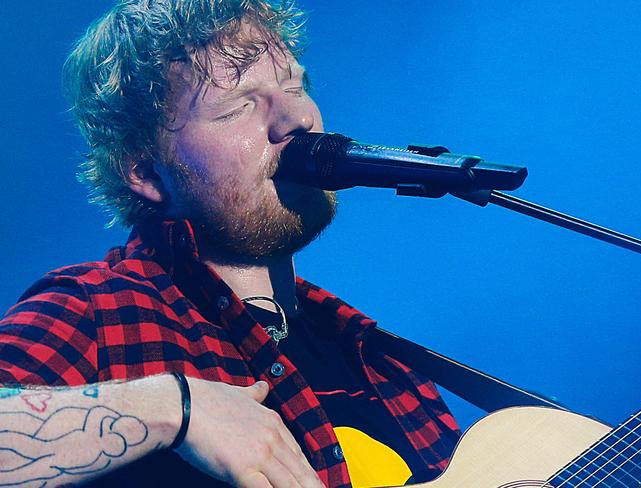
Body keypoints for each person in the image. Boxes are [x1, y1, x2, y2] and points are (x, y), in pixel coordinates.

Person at [0, 1, 461, 486]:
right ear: (144, 171)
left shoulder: (382, 363)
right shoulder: (96, 310)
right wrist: (173, 408)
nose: (297, 119)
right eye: (238, 106)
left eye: (294, 86)